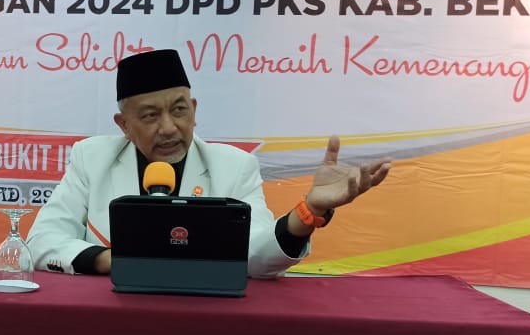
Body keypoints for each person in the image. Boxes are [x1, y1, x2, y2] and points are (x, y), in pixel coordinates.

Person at [26, 48, 391, 278]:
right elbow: (42, 241)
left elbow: (257, 257)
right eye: (150, 116)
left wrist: (309, 212)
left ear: (194, 110)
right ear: (124, 126)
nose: (169, 128)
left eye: (179, 110)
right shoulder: (92, 158)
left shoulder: (233, 166)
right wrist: (110, 260)